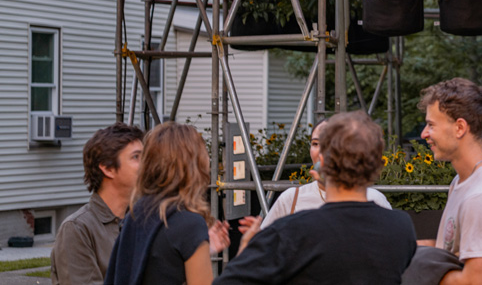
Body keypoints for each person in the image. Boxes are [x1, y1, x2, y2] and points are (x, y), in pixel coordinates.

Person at [217, 111, 415, 284]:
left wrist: (247, 248)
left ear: (322, 160)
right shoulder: (401, 227)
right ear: (379, 165)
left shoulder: (291, 231)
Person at [418, 79, 482, 285]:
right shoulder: (464, 181)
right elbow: (449, 249)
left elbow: (475, 282)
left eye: (431, 125)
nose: (424, 134)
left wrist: (416, 271)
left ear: (459, 128)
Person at [104, 122, 230, 285]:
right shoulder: (189, 225)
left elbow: (158, 267)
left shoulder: (139, 212)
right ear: (196, 164)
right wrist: (245, 254)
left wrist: (199, 249)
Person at [236, 119, 391, 235]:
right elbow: (265, 250)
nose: (321, 152)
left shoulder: (374, 199)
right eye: (315, 144)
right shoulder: (291, 198)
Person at [51, 123, 145, 285]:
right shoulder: (77, 229)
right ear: (108, 168)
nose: (147, 165)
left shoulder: (145, 220)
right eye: (136, 157)